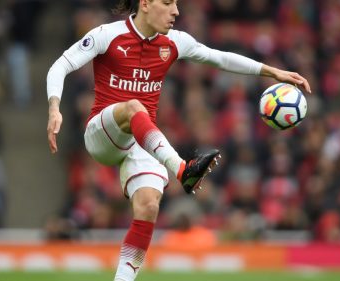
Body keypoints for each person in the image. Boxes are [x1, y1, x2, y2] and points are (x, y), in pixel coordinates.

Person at [46, 1, 311, 280]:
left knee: (148, 207)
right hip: (102, 134)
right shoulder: (107, 35)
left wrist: (274, 72)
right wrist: (55, 108)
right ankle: (184, 170)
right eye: (168, 2)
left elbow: (219, 58)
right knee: (135, 106)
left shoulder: (175, 42)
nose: (176, 11)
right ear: (145, 3)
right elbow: (60, 65)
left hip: (141, 141)